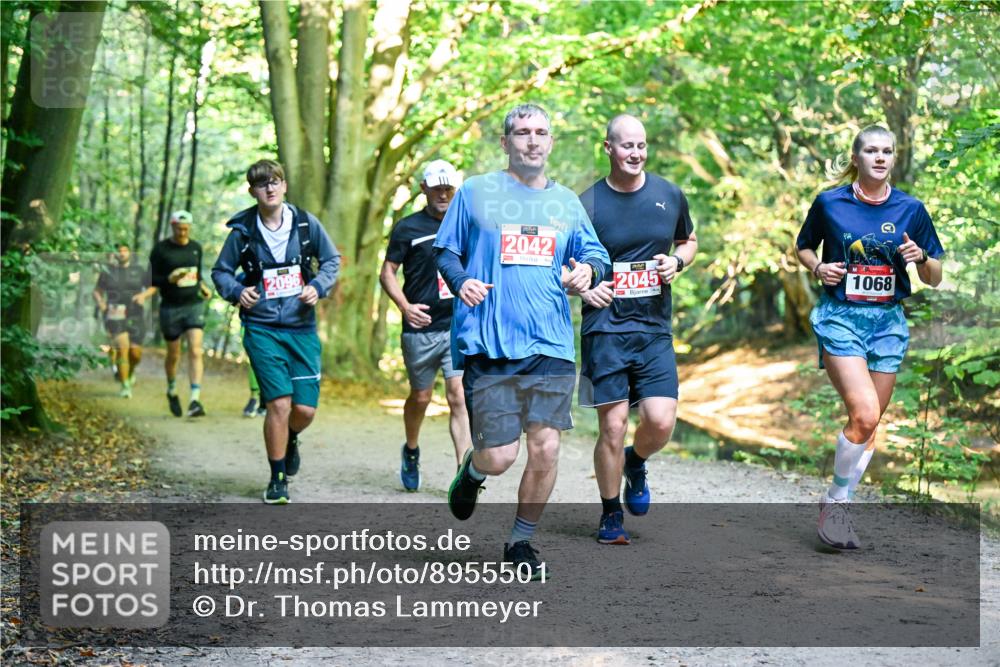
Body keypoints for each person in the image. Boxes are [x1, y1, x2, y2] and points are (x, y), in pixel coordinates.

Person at [434, 103, 610, 577]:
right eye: (522, 132)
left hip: (550, 345)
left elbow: (596, 255)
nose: (532, 140)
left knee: (546, 447)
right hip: (489, 344)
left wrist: (587, 272)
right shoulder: (475, 192)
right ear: (505, 142)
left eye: (540, 132)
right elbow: (446, 252)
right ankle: (474, 470)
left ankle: (520, 543)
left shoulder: (566, 203)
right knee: (499, 457)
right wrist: (461, 281)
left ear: (550, 142)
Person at [796, 125, 944, 549]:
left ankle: (838, 503)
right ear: (856, 157)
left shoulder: (911, 209)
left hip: (887, 323)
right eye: (872, 151)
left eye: (887, 151)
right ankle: (836, 501)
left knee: (872, 423)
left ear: (893, 158)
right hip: (841, 317)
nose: (880, 157)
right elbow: (803, 246)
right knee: (863, 414)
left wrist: (921, 257)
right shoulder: (830, 203)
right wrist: (818, 267)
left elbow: (934, 276)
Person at [577, 114, 698, 545]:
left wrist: (677, 262)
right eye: (627, 145)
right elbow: (566, 261)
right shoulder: (587, 203)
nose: (635, 153)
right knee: (611, 427)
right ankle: (611, 513)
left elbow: (689, 241)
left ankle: (636, 460)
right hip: (605, 328)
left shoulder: (669, 194)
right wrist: (585, 288)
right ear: (608, 148)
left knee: (660, 422)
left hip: (653, 327)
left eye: (641, 145)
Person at [212, 159, 340, 505]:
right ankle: (277, 477)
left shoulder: (305, 224)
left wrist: (317, 286)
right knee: (279, 404)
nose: (269, 188)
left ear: (284, 186)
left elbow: (331, 260)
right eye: (261, 184)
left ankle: (291, 437)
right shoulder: (242, 231)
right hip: (262, 326)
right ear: (252, 191)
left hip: (301, 326)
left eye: (275, 182)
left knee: (304, 410)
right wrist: (237, 292)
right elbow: (221, 272)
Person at [380, 159, 471, 491]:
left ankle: (463, 475)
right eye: (437, 189)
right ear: (424, 189)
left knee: (458, 396)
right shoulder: (408, 228)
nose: (443, 195)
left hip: (456, 325)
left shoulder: (467, 225)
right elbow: (387, 272)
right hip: (421, 326)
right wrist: (404, 307)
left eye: (449, 189)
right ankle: (411, 449)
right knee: (421, 397)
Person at [134, 210, 212, 417]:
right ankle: (171, 389)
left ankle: (195, 399)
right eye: (179, 229)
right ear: (172, 227)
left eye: (186, 229)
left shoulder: (195, 248)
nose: (183, 233)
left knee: (195, 350)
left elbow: (197, 275)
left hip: (193, 305)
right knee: (174, 354)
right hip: (170, 307)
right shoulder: (161, 250)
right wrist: (168, 280)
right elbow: (151, 280)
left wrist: (203, 288)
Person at [93, 243, 148, 398]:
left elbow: (152, 287)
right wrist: (101, 303)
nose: (122, 253)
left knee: (135, 354)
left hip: (135, 314)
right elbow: (97, 291)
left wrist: (143, 295)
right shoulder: (107, 271)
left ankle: (130, 373)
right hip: (115, 313)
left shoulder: (138, 270)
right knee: (122, 348)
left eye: (124, 250)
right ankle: (125, 386)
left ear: (129, 252)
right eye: (119, 251)